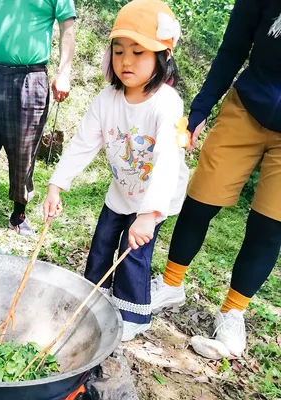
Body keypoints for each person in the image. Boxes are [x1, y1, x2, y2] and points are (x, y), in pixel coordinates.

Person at [43, 0, 188, 342]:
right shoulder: (106, 101)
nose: (126, 61)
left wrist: (150, 215)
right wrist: (56, 185)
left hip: (156, 196)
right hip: (122, 190)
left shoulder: (166, 104)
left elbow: (167, 162)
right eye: (119, 51)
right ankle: (92, 298)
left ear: (163, 58)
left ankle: (133, 315)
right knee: (103, 241)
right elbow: (81, 145)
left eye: (139, 52)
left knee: (132, 252)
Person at [151, 0, 281, 356]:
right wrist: (200, 109)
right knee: (200, 200)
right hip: (247, 105)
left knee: (270, 226)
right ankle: (170, 283)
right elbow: (234, 46)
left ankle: (233, 313)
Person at [0, 0, 76, 236]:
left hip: (30, 77)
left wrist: (64, 73)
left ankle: (19, 214)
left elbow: (67, 27)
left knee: (24, 149)